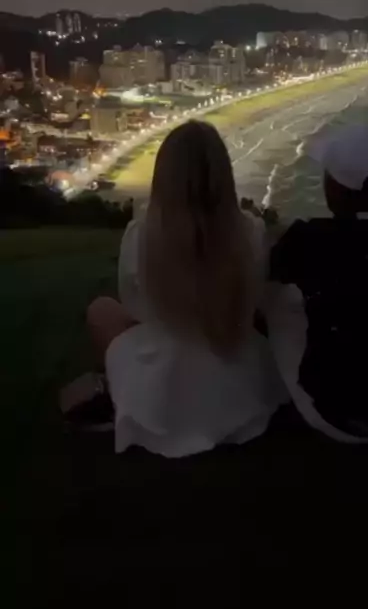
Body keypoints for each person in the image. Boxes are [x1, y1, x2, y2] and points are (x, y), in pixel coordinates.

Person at [81, 120, 286, 457]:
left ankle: (124, 388)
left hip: (163, 388)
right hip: (239, 381)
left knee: (101, 311)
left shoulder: (140, 235)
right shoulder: (251, 231)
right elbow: (256, 299)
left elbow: (132, 307)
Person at [268, 123, 368, 444]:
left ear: (332, 186)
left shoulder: (308, 239)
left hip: (335, 417)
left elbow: (274, 271)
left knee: (278, 299)